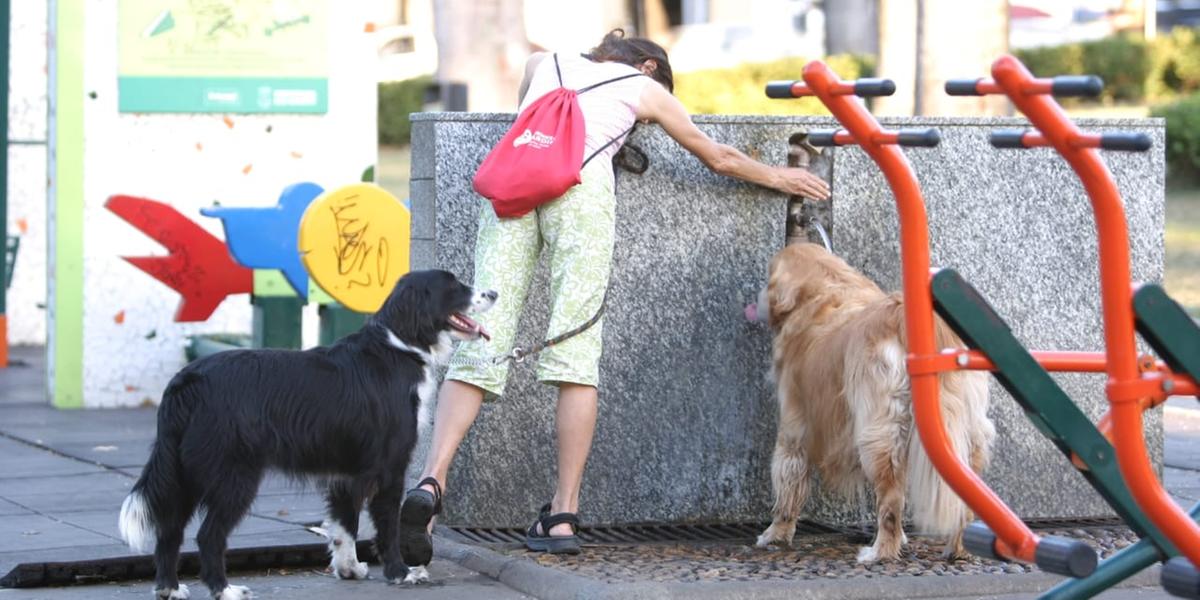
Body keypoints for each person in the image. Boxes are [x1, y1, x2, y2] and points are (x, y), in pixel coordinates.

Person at [401, 29, 831, 557]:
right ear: (650, 67)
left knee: (481, 340)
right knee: (575, 352)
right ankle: (562, 514)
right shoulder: (643, 86)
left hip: (513, 195)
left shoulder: (542, 62)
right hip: (581, 198)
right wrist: (782, 178)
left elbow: (531, 129)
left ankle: (430, 483)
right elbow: (715, 155)